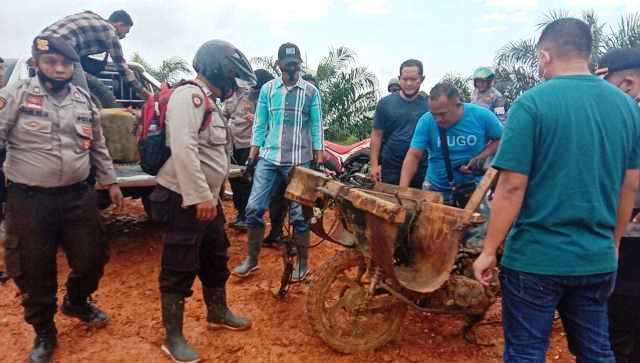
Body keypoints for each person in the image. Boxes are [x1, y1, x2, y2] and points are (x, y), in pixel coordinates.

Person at [472, 19, 640, 363]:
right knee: (596, 351)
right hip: (596, 258)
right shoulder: (626, 107)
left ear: (545, 55)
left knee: (526, 352)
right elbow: (630, 184)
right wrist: (615, 243)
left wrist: (489, 249)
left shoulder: (531, 105)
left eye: (538, 59)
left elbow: (511, 186)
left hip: (536, 258)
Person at [0, 36, 123, 363]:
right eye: (51, 62)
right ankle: (44, 331)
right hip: (29, 200)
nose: (58, 68)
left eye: (65, 63)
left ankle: (77, 302)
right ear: (37, 63)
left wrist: (110, 181)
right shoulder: (16, 95)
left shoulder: (83, 100)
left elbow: (98, 146)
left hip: (77, 196)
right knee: (34, 269)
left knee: (93, 257)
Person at [153, 40, 256, 363]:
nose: (234, 85)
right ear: (219, 71)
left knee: (215, 255)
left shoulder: (210, 101)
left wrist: (211, 195)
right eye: (232, 77)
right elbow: (184, 149)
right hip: (187, 199)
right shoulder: (190, 96)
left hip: (207, 199)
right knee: (179, 264)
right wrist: (199, 197)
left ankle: (217, 311)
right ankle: (173, 337)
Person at [232, 42, 324, 282]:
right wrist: (252, 157)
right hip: (269, 158)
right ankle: (252, 260)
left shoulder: (311, 92)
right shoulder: (268, 90)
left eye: (296, 63)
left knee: (300, 216)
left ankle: (302, 265)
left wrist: (319, 159)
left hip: (299, 161)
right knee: (253, 209)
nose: (292, 68)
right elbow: (260, 125)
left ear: (300, 64)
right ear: (278, 65)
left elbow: (316, 127)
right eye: (288, 64)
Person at [596, 47, 640, 363]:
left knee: (619, 323)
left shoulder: (627, 117)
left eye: (604, 84)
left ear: (627, 84)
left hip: (629, 238)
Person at [399, 83, 502, 206]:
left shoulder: (482, 116)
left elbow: (502, 139)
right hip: (436, 190)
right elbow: (414, 155)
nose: (437, 119)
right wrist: (402, 192)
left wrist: (481, 158)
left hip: (476, 191)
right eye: (434, 114)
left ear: (458, 105)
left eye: (442, 114)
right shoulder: (426, 121)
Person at [39, 10, 145, 99]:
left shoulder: (92, 17)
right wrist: (142, 91)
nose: (124, 36)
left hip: (40, 45)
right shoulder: (110, 32)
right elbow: (122, 67)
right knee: (82, 95)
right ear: (120, 25)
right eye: (125, 32)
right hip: (60, 49)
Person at [224, 69, 274, 230]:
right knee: (235, 180)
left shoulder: (259, 94)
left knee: (249, 180)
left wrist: (257, 120)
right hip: (233, 145)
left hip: (250, 145)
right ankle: (241, 214)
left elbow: (271, 119)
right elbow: (225, 114)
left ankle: (251, 217)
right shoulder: (230, 94)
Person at [370, 59, 429, 188]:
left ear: (422, 79)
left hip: (421, 168)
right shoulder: (385, 104)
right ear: (399, 78)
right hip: (391, 167)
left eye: (413, 79)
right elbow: (376, 135)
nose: (408, 83)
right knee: (388, 205)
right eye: (404, 79)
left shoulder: (429, 105)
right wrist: (374, 165)